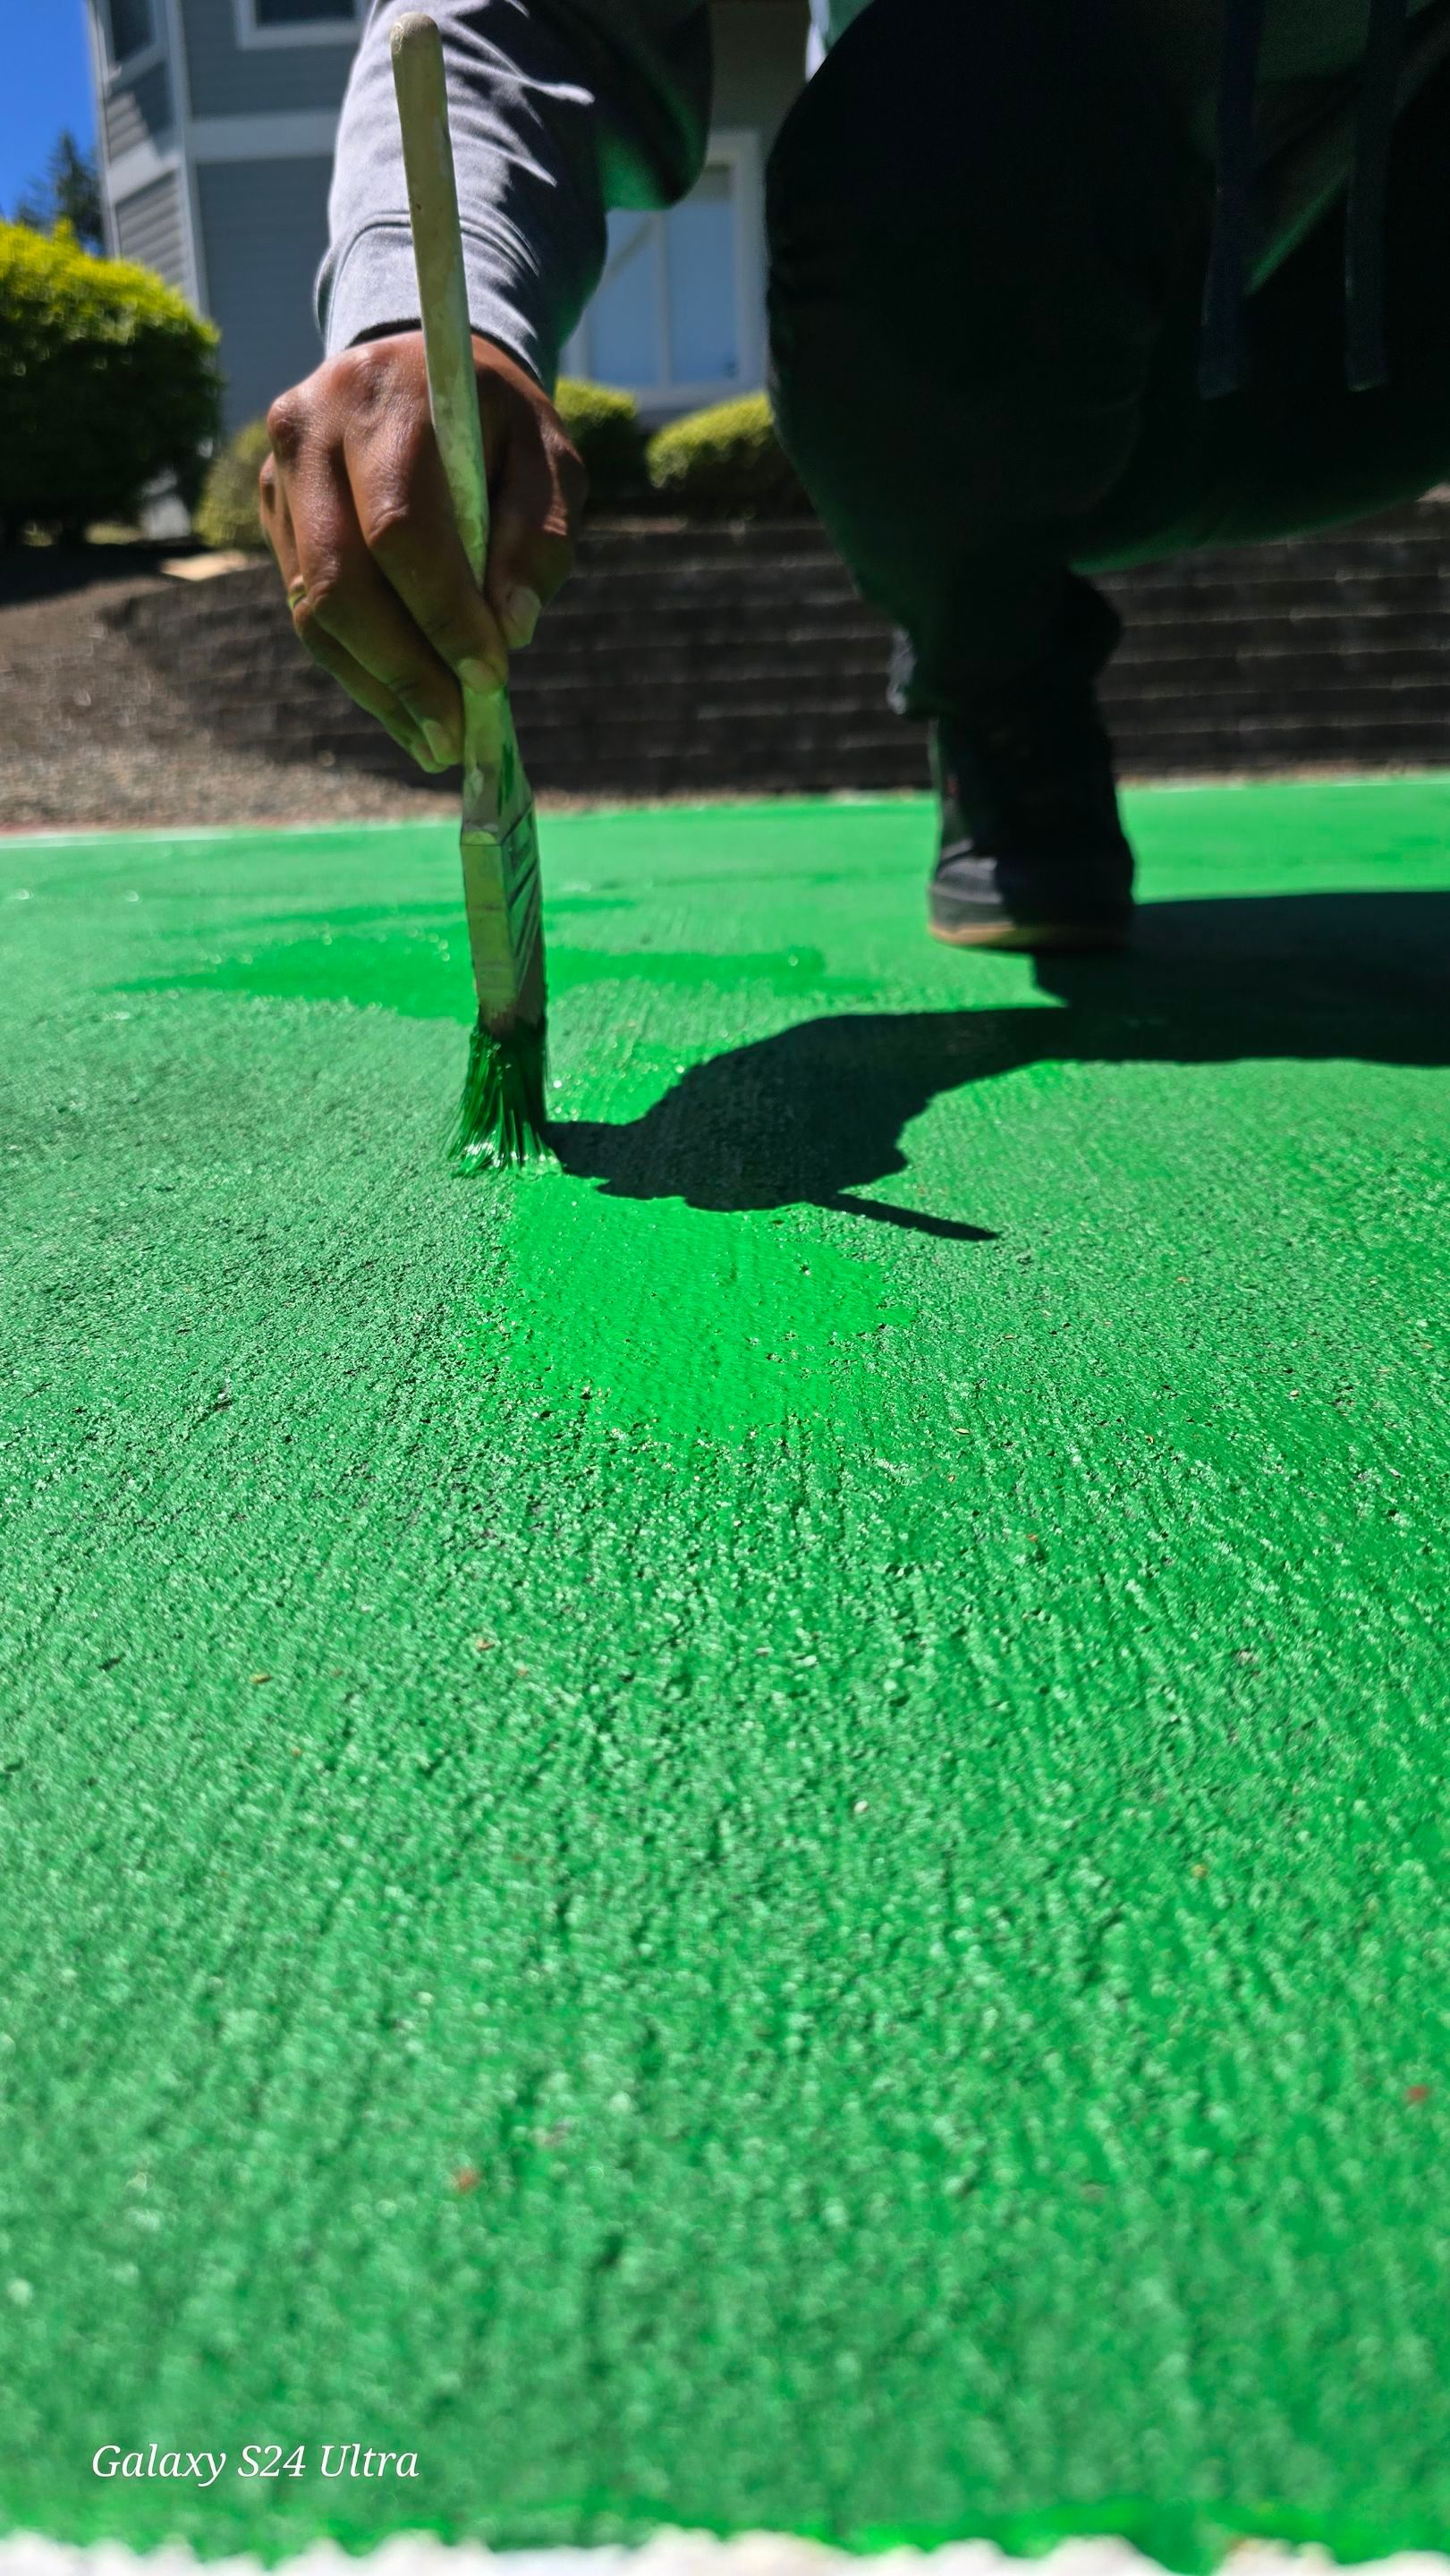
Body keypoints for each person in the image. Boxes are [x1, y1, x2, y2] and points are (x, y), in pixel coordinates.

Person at [260, 0, 1450, 951]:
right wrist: (418, 309)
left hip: (1407, 333)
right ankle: (998, 690)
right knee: (951, 75)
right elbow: (531, 17)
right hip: (1018, 350)